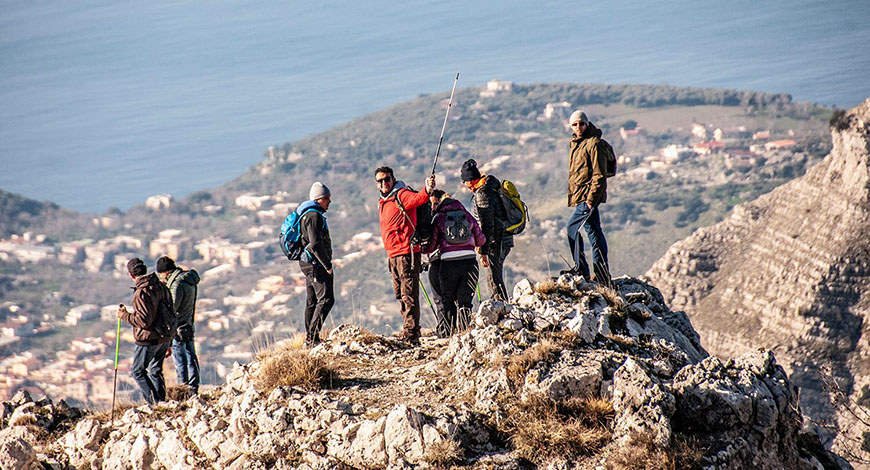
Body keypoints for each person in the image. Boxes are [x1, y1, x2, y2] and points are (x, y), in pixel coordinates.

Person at [375, 166, 436, 344]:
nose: (384, 183)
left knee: (408, 293)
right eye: (380, 181)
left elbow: (420, 198)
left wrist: (428, 187)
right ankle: (409, 328)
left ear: (393, 179)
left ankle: (412, 334)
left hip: (406, 253)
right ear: (376, 184)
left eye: (387, 179)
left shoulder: (401, 195)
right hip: (393, 255)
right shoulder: (384, 201)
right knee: (399, 294)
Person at [423, 190, 485, 336]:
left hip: (448, 264)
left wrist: (423, 248)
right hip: (470, 262)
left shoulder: (439, 217)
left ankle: (449, 335)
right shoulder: (467, 216)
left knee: (448, 301)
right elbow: (481, 239)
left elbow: (432, 246)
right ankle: (465, 334)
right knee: (465, 301)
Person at [117, 258, 173, 405]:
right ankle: (162, 402)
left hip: (148, 339)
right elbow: (170, 314)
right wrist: (170, 341)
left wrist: (124, 315)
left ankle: (155, 404)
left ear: (131, 275)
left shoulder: (141, 293)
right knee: (155, 370)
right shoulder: (162, 287)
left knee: (137, 371)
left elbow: (143, 321)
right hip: (164, 337)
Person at [565, 110, 611, 285]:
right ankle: (601, 275)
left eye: (581, 123)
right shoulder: (576, 143)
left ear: (587, 123)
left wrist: (591, 201)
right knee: (594, 233)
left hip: (588, 198)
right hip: (582, 197)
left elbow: (599, 175)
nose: (578, 127)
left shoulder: (594, 144)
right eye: (574, 124)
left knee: (572, 228)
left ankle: (581, 270)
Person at [460, 159, 513, 302]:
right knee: (495, 276)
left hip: (496, 240)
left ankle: (502, 309)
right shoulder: (490, 187)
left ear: (470, 181)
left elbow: (487, 226)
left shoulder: (482, 194)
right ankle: (503, 306)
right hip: (504, 238)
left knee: (493, 278)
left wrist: (483, 251)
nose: (463, 185)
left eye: (464, 181)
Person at [155, 256, 201, 394]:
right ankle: (194, 386)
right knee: (191, 356)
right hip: (188, 324)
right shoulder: (188, 280)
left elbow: (172, 308)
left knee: (180, 360)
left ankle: (184, 388)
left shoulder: (176, 285)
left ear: (165, 272)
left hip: (177, 327)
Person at [298, 182, 335, 347]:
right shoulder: (313, 216)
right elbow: (315, 244)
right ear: (319, 199)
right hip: (316, 265)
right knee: (326, 299)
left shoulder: (307, 214)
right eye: (327, 198)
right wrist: (327, 264)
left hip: (309, 265)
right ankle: (312, 338)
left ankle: (310, 338)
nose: (329, 201)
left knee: (312, 301)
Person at [424, 191, 447, 338]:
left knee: (440, 299)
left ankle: (444, 331)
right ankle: (449, 329)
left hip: (439, 262)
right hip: (446, 260)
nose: (433, 207)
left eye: (436, 203)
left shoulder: (434, 220)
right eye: (431, 203)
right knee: (443, 299)